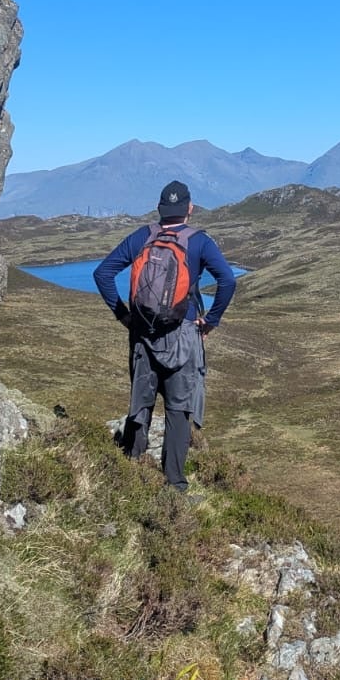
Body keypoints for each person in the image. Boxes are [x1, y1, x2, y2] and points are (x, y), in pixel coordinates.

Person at [93, 180, 237, 490]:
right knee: (178, 409)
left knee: (140, 402)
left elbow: (102, 273)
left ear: (160, 208)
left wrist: (124, 316)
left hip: (142, 335)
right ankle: (174, 484)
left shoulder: (143, 236)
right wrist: (211, 321)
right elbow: (227, 281)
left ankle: (130, 472)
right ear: (190, 208)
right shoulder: (198, 241)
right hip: (183, 336)